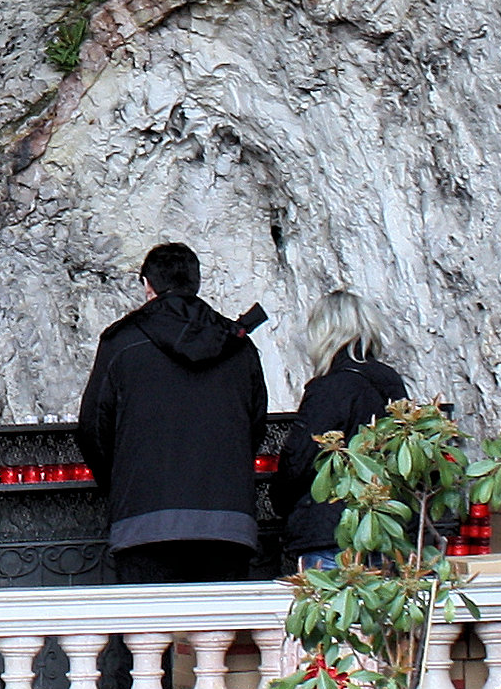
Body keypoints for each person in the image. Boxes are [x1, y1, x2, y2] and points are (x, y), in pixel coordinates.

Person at [74, 243, 270, 581]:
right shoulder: (238, 345)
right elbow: (255, 426)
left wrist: (121, 483)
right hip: (228, 523)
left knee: (148, 631)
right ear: (197, 283)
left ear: (148, 285)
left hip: (143, 522)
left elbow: (93, 428)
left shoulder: (121, 343)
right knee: (218, 631)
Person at [273, 292, 407, 572]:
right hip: (381, 529)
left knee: (329, 613)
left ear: (323, 333)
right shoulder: (391, 383)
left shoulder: (330, 387)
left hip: (330, 533)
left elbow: (298, 462)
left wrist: (281, 502)